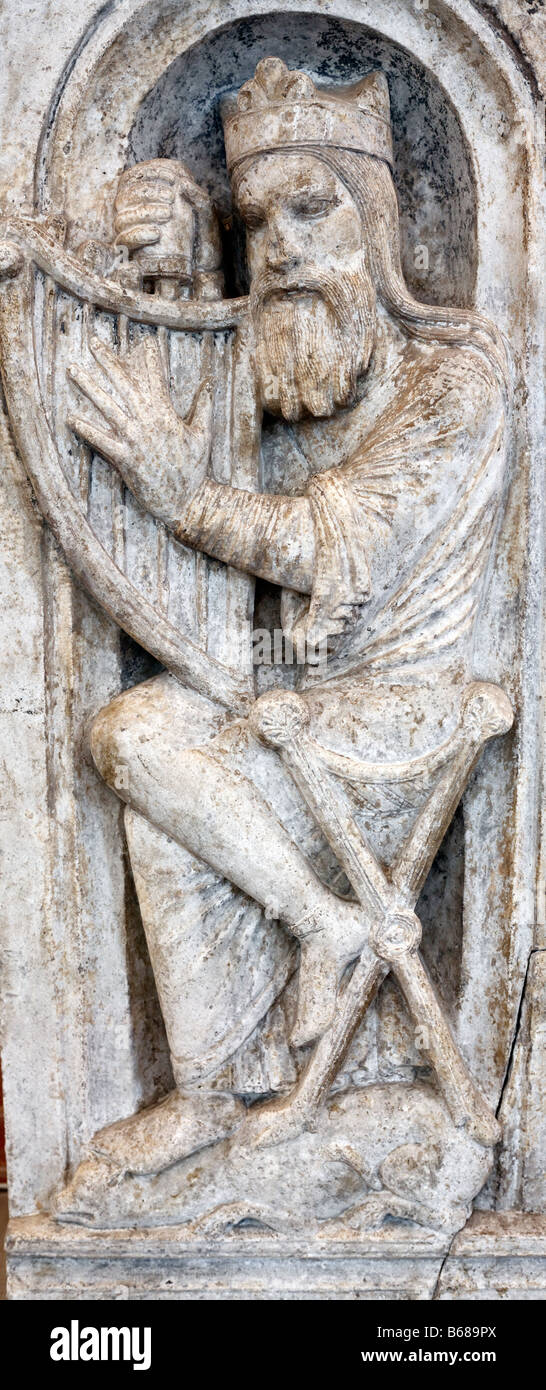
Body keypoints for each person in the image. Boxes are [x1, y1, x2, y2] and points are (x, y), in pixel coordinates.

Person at [66, 58, 510, 1173]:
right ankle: (234, 1058)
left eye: (313, 208)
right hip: (296, 706)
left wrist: (184, 495)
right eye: (259, 220)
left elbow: (326, 543)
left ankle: (317, 939)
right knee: (134, 731)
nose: (281, 246)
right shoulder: (288, 372)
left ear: (379, 222)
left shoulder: (454, 382)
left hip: (400, 727)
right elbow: (188, 400)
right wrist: (170, 269)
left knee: (142, 741)